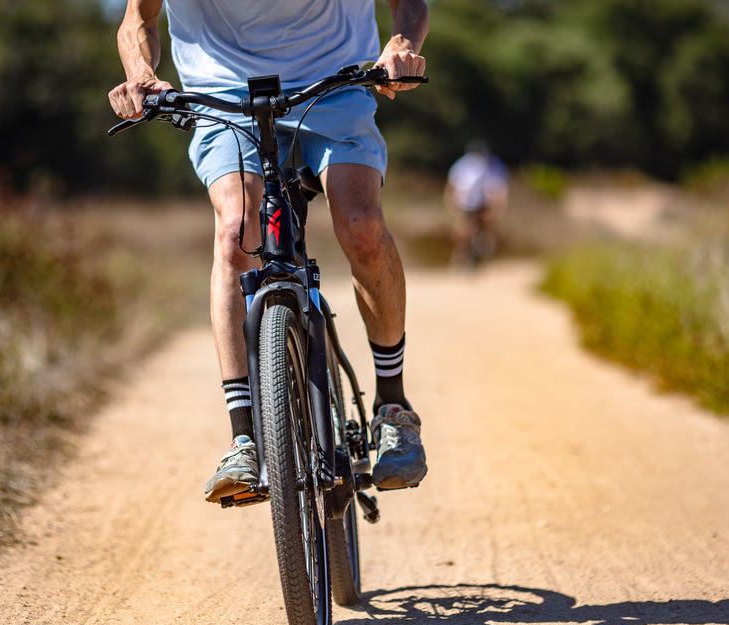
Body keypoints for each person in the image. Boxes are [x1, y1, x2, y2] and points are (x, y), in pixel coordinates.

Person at [109, 0, 429, 503]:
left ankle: (393, 408)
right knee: (237, 230)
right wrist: (142, 74)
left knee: (362, 224)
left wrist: (402, 45)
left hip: (335, 81)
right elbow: (138, 19)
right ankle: (245, 438)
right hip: (223, 93)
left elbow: (408, 4)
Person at [444, 140, 509, 268]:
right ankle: (461, 255)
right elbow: (451, 185)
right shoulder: (462, 165)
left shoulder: (494, 165)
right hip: (466, 202)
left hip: (485, 202)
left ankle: (482, 251)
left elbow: (500, 188)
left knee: (487, 227)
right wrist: (450, 202)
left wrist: (499, 206)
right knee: (463, 229)